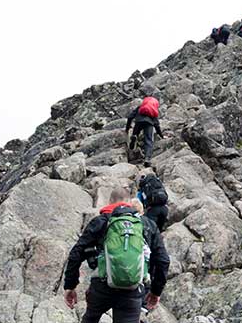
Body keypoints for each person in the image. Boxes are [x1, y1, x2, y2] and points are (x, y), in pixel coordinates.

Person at [63, 188, 170, 323]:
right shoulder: (146, 224)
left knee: (90, 319)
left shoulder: (101, 221)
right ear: (129, 203)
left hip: (101, 287)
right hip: (133, 289)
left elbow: (76, 254)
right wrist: (155, 292)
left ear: (110, 202)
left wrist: (70, 286)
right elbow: (163, 260)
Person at [126, 95, 163, 167]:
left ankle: (134, 137)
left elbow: (130, 117)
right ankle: (147, 159)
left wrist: (127, 129)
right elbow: (157, 125)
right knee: (149, 141)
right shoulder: (153, 111)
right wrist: (161, 135)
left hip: (138, 122)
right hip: (149, 124)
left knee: (136, 132)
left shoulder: (140, 108)